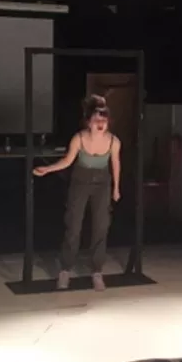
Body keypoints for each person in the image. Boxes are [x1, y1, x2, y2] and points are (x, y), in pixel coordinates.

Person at [33, 95, 121, 291]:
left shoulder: (113, 141)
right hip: (80, 182)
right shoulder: (79, 138)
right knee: (73, 226)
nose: (100, 124)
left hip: (102, 184)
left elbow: (115, 164)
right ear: (88, 122)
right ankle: (65, 270)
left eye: (104, 121)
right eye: (97, 120)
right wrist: (47, 169)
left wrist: (116, 188)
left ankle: (96, 271)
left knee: (101, 227)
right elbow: (67, 161)